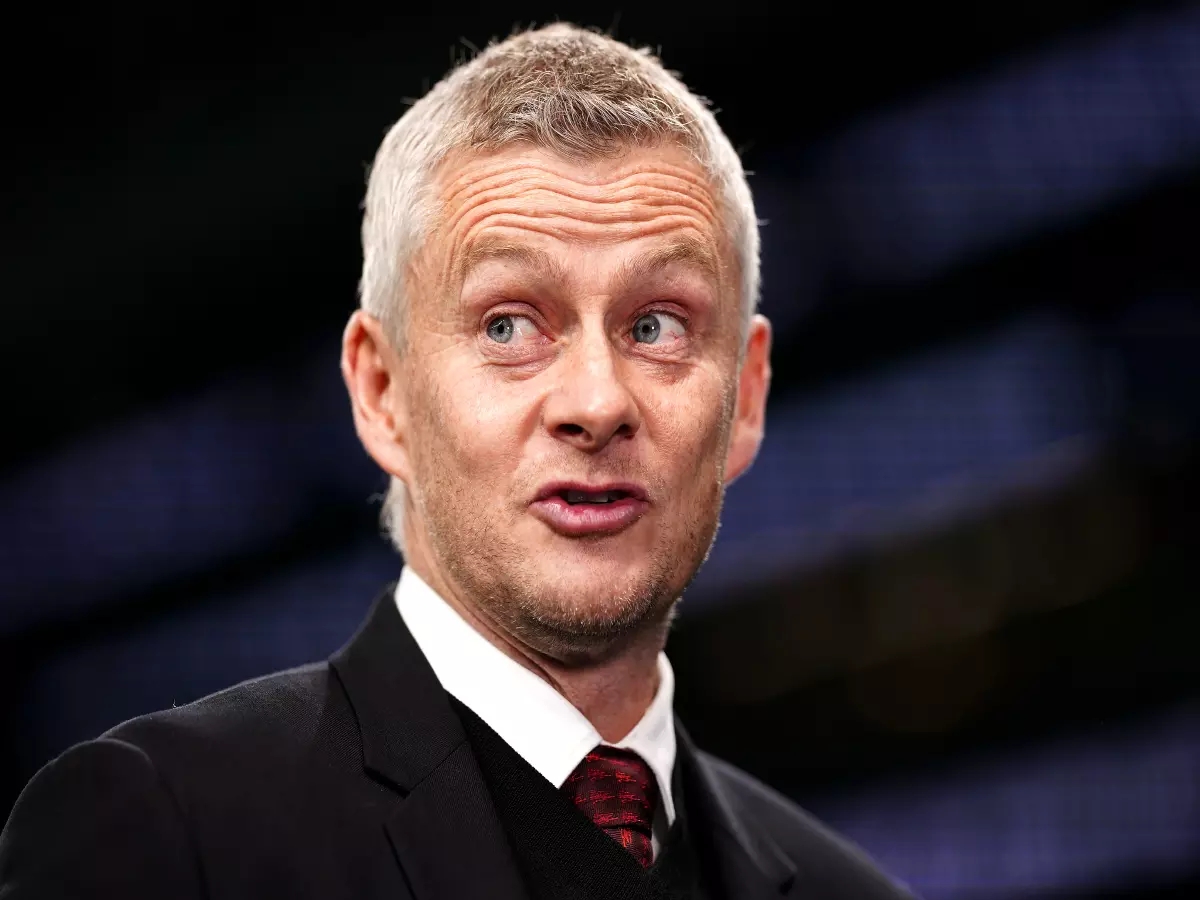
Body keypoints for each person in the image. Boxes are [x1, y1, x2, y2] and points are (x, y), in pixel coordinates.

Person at [0, 24, 913, 900]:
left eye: (655, 325)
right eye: (509, 325)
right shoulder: (167, 837)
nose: (597, 402)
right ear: (382, 392)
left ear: (746, 397)